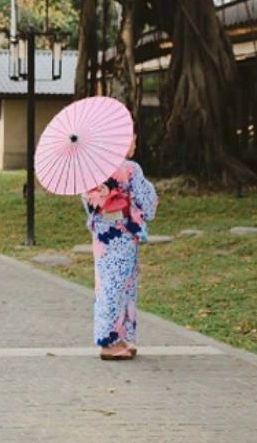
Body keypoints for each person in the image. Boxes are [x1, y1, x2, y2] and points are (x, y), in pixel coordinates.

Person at [81, 132, 158, 361]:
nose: (135, 142)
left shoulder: (92, 169)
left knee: (107, 284)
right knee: (121, 285)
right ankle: (110, 342)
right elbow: (147, 202)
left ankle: (118, 339)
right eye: (133, 139)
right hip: (122, 232)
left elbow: (89, 204)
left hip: (103, 234)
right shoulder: (131, 168)